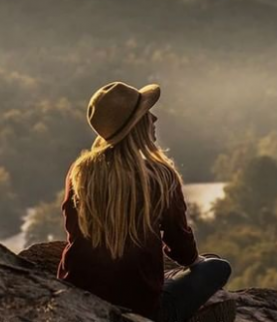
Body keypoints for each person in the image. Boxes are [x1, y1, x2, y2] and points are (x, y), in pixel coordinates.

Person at [56, 81, 234, 322]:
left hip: (78, 300)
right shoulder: (160, 176)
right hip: (141, 311)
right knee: (217, 267)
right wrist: (195, 261)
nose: (155, 118)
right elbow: (180, 245)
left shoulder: (80, 172)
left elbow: (72, 229)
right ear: (136, 125)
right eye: (147, 113)